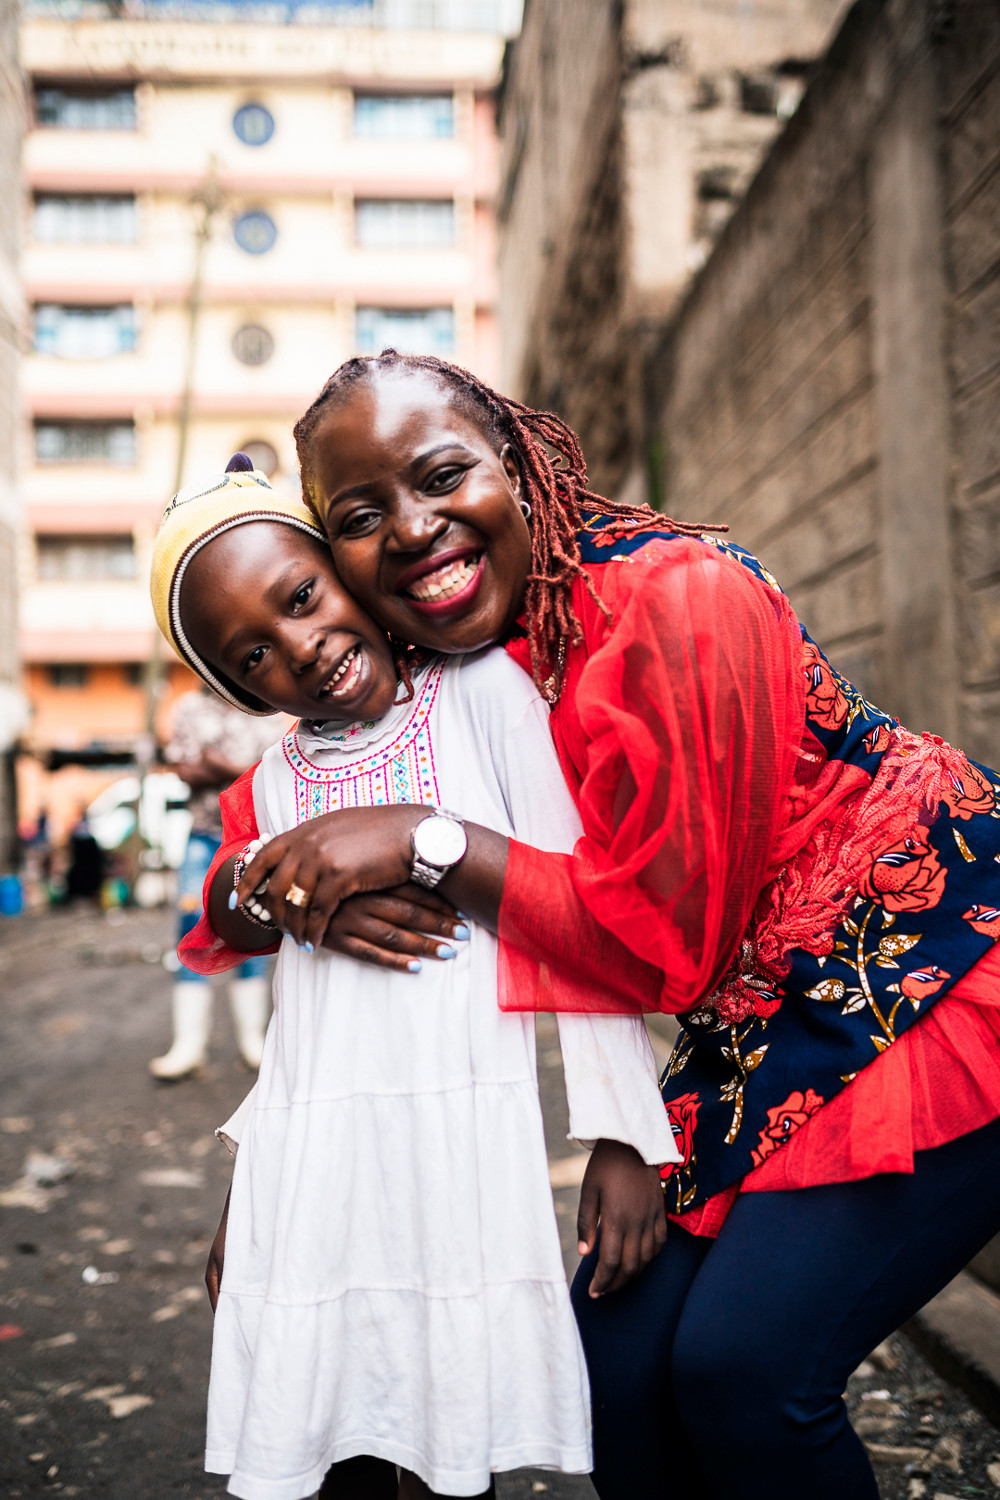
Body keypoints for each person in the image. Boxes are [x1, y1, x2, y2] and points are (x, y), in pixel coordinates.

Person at [226, 350, 1000, 1500]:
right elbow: (270, 844)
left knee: (745, 1374)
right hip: (761, 1023)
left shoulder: (670, 599)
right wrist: (258, 892)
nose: (414, 529)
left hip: (935, 964)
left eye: (442, 476)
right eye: (359, 515)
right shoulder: (463, 652)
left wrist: (426, 840)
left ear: (518, 458)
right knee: (619, 1373)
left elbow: (658, 945)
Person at [148, 459, 676, 1499]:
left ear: (346, 573)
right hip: (313, 1161)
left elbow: (575, 917)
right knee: (328, 1438)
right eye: (253, 654)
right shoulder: (273, 782)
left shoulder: (482, 699)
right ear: (236, 689)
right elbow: (304, 1019)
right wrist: (251, 1183)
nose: (300, 648)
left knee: (449, 1438)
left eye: (302, 598)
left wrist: (623, 1133)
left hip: (454, 1153)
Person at [150, 683, 283, 1079]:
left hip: (253, 842)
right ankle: (187, 1047)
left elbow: (271, 773)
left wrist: (218, 765)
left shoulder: (267, 704)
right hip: (204, 836)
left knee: (253, 929)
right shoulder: (190, 706)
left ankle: (253, 1043)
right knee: (191, 930)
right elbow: (186, 772)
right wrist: (240, 769)